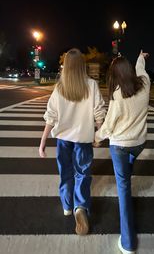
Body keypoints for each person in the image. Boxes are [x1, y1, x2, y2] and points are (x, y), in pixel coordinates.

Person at [38, 48, 106, 235]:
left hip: (63, 140)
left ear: (66, 66)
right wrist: (98, 134)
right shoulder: (91, 85)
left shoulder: (60, 87)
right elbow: (99, 112)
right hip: (83, 140)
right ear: (82, 65)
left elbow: (50, 116)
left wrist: (43, 141)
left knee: (65, 173)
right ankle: (80, 206)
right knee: (82, 174)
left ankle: (67, 206)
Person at [94, 50, 150, 254]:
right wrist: (141, 57)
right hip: (139, 144)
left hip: (120, 146)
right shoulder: (145, 84)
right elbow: (141, 69)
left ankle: (127, 243)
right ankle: (127, 172)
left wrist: (97, 138)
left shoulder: (118, 95)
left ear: (115, 74)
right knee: (127, 174)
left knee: (123, 188)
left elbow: (108, 125)